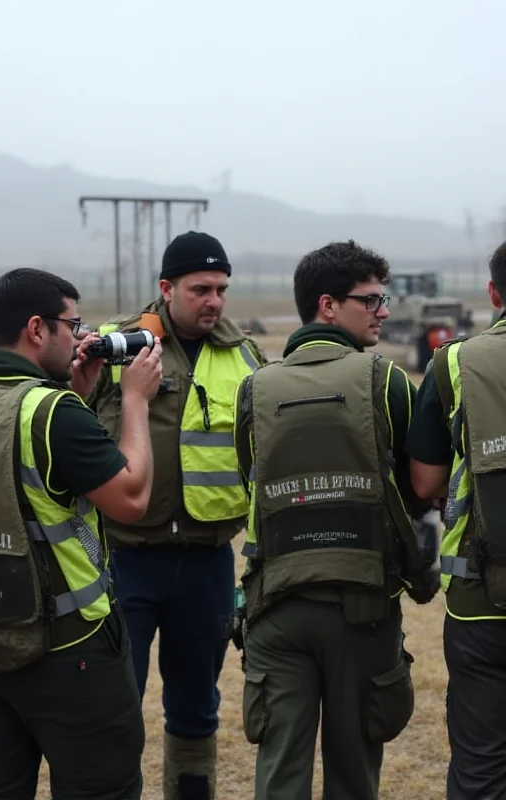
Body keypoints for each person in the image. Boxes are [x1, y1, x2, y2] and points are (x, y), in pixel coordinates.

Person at [0, 267, 162, 800]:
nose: (80, 337)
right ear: (36, 328)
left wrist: (75, 394)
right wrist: (136, 400)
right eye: (73, 325)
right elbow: (133, 498)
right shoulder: (51, 414)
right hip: (68, 652)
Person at [233, 240, 439, 800]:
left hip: (277, 609)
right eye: (371, 300)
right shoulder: (387, 381)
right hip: (362, 611)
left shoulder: (254, 389)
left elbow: (255, 484)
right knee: (353, 775)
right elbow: (420, 486)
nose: (385, 311)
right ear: (328, 305)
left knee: (280, 773)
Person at [89, 231, 266, 800]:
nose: (214, 300)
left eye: (221, 289)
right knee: (115, 711)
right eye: (200, 289)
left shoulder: (245, 357)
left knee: (196, 710)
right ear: (166, 289)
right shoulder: (116, 347)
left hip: (207, 561)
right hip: (125, 559)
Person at [406, 240, 506, 800]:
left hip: (479, 599)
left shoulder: (454, 362)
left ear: (493, 293)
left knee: (481, 766)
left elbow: (423, 482)